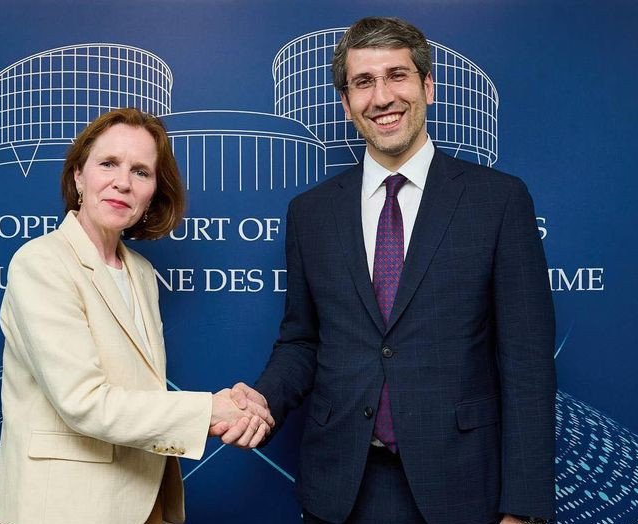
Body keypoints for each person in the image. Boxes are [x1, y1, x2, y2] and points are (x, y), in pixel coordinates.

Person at [227, 17, 556, 524]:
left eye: (397, 76)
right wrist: (264, 400)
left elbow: (527, 364)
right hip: (341, 488)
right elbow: (303, 341)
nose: (382, 97)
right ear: (346, 102)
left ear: (427, 86)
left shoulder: (498, 201)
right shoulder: (310, 213)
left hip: (463, 487)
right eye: (363, 82)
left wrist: (524, 509)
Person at [0, 108, 272, 524]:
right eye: (108, 164)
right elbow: (84, 402)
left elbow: (139, 388)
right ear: (78, 176)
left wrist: (232, 408)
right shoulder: (41, 263)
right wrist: (210, 412)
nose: (123, 182)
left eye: (141, 171)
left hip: (142, 496)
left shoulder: (139, 271)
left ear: (153, 192)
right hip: (66, 508)